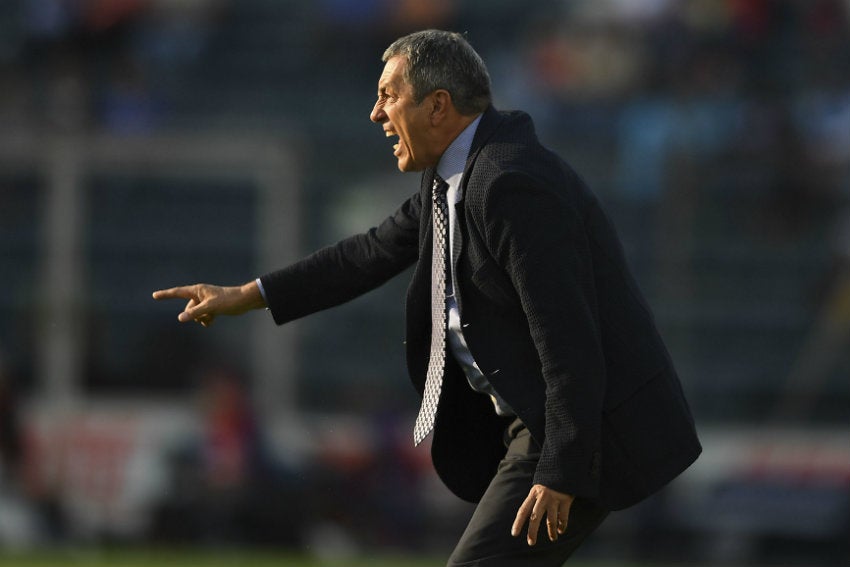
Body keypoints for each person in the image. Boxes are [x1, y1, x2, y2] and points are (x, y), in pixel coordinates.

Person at [153, 30, 701, 566]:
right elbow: (367, 255)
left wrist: (560, 471)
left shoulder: (510, 184)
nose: (375, 113)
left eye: (388, 96)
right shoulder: (455, 175)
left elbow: (569, 341)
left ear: (438, 106)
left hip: (575, 431)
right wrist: (246, 296)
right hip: (537, 426)